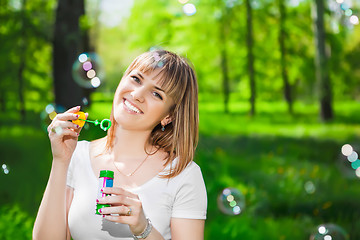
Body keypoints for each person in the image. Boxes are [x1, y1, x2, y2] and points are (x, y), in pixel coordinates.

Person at [33, 49, 207, 240]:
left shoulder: (183, 175)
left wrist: (143, 228)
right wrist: (60, 161)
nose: (137, 94)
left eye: (157, 94)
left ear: (169, 116)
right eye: (136, 79)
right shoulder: (77, 154)